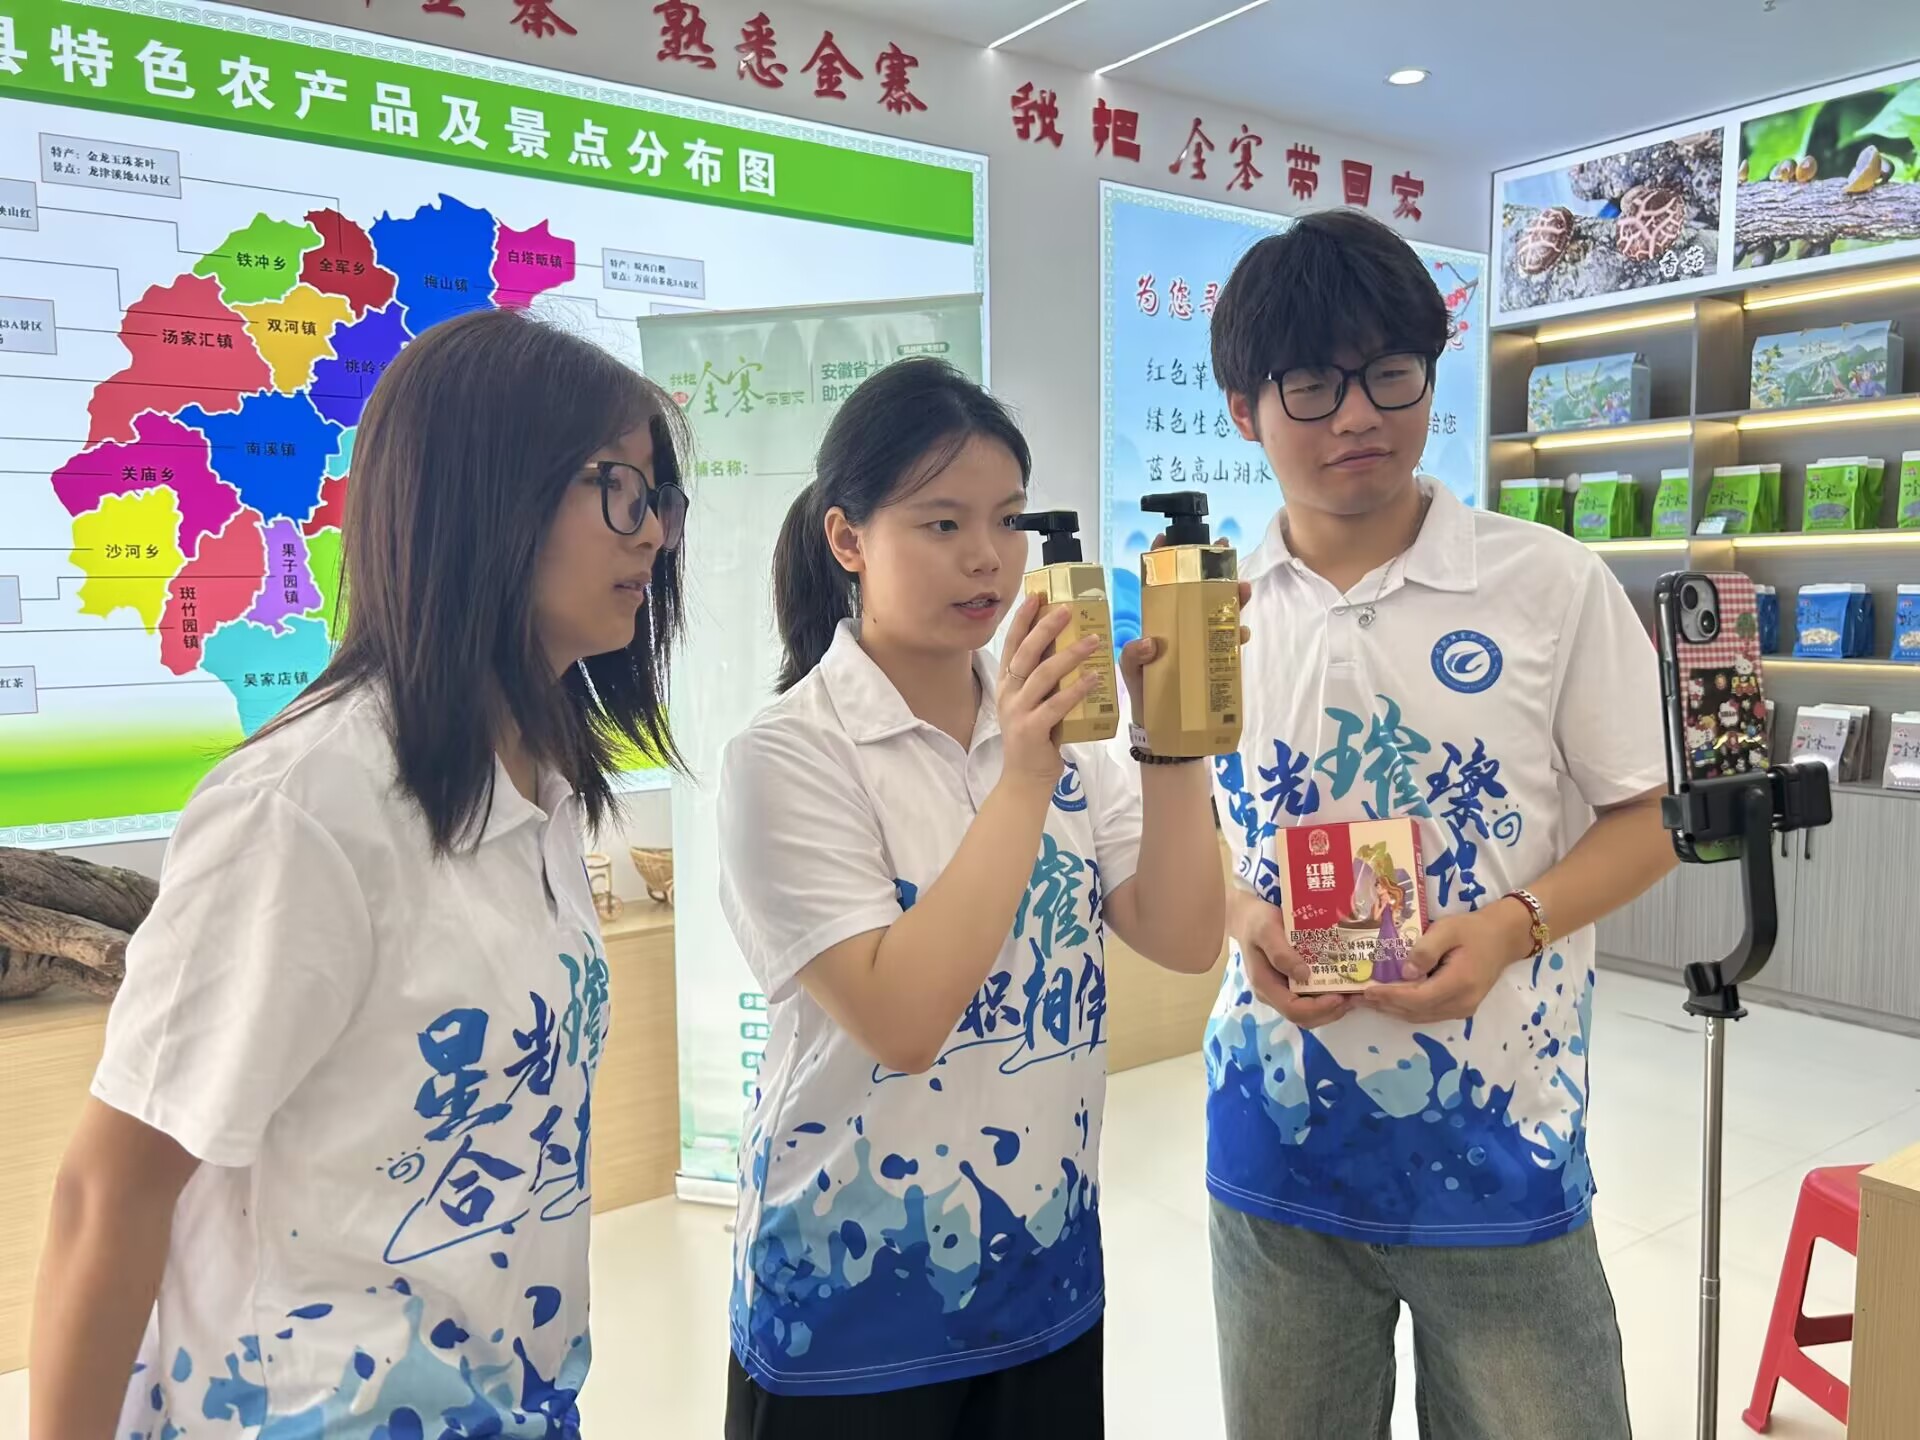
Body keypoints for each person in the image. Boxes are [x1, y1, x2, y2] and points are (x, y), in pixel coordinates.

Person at [30, 307, 691, 1440]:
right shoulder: (303, 809)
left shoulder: (543, 788)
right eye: (621, 489)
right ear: (485, 492)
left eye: (662, 497)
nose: (658, 536)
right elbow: (110, 1192)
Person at [1202, 210, 1675, 1440]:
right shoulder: (1213, 612)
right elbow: (1173, 829)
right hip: (1276, 1143)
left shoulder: (1548, 583)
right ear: (1245, 408)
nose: (1358, 415)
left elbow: (1650, 817)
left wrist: (1514, 926)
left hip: (1501, 1143)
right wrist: (1245, 915)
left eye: (1390, 373)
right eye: (1312, 386)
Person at [716, 357, 1232, 1439]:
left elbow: (1187, 939)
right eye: (941, 523)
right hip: (849, 1305)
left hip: (1041, 1274)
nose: (987, 557)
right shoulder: (790, 755)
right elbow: (904, 1020)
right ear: (848, 539)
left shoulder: (1059, 735)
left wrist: (1170, 739)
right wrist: (1027, 774)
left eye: (1007, 519)